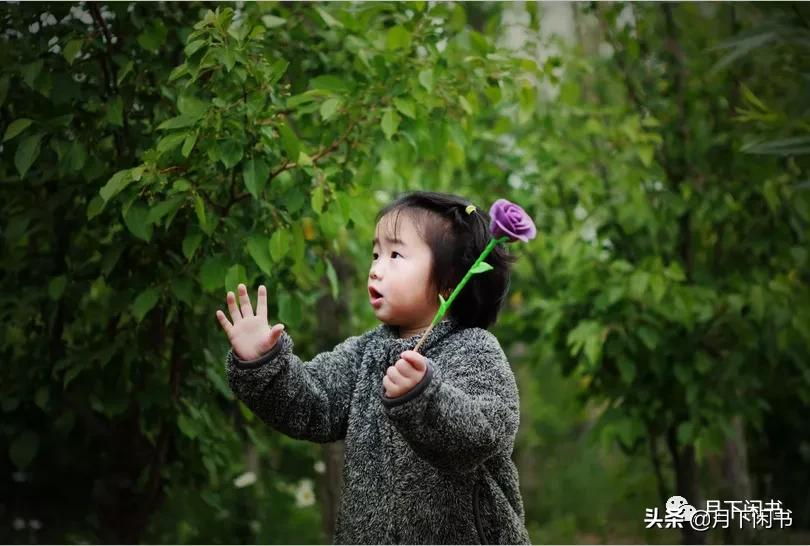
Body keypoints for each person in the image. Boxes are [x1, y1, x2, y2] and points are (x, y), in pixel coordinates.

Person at [218, 191, 532, 544]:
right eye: (375, 253)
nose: (376, 268)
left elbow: (485, 432)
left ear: (449, 280)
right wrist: (263, 362)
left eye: (396, 254)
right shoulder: (364, 353)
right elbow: (310, 404)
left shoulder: (473, 348)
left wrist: (425, 395)